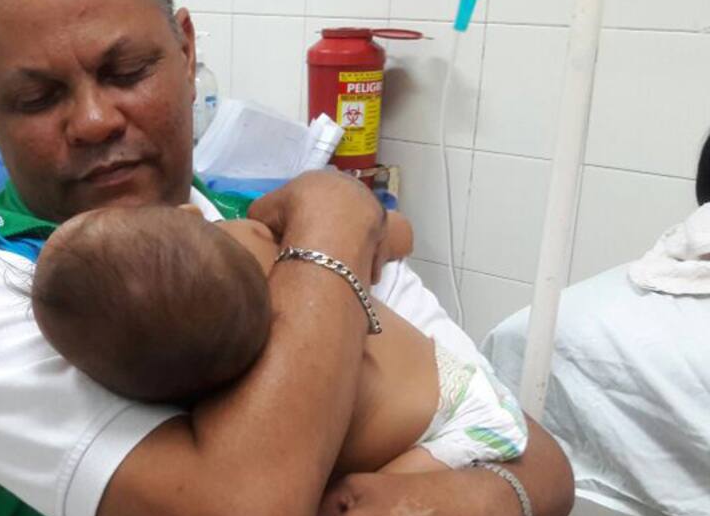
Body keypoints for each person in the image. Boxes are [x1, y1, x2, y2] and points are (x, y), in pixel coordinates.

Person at [0, 0, 574, 516]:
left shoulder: (255, 227)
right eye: (37, 97)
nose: (95, 120)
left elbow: (540, 463)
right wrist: (336, 215)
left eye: (126, 71)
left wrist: (435, 509)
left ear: (187, 51)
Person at [31, 204, 529, 476]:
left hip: (470, 416)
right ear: (187, 215)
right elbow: (392, 229)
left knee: (357, 503)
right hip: (460, 405)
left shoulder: (198, 392)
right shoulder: (254, 237)